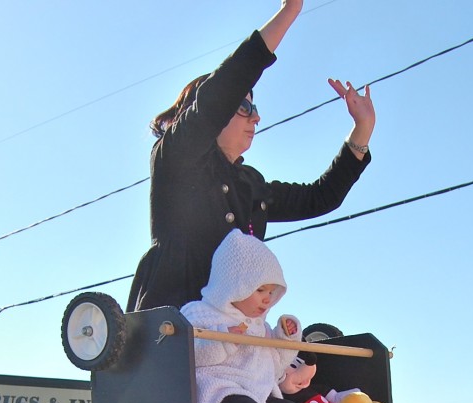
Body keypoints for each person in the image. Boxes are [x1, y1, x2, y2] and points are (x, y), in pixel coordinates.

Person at [126, 0, 375, 312]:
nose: (255, 118)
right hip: (173, 330)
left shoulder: (251, 186)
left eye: (255, 109)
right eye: (244, 106)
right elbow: (223, 90)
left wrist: (362, 130)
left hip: (234, 335)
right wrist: (290, 12)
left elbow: (319, 197)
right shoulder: (176, 157)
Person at [180, 228, 308, 403]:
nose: (267, 299)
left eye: (271, 293)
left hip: (259, 396)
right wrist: (224, 340)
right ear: (233, 284)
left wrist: (286, 339)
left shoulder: (261, 329)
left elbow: (277, 368)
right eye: (260, 290)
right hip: (218, 392)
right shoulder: (201, 312)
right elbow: (185, 355)